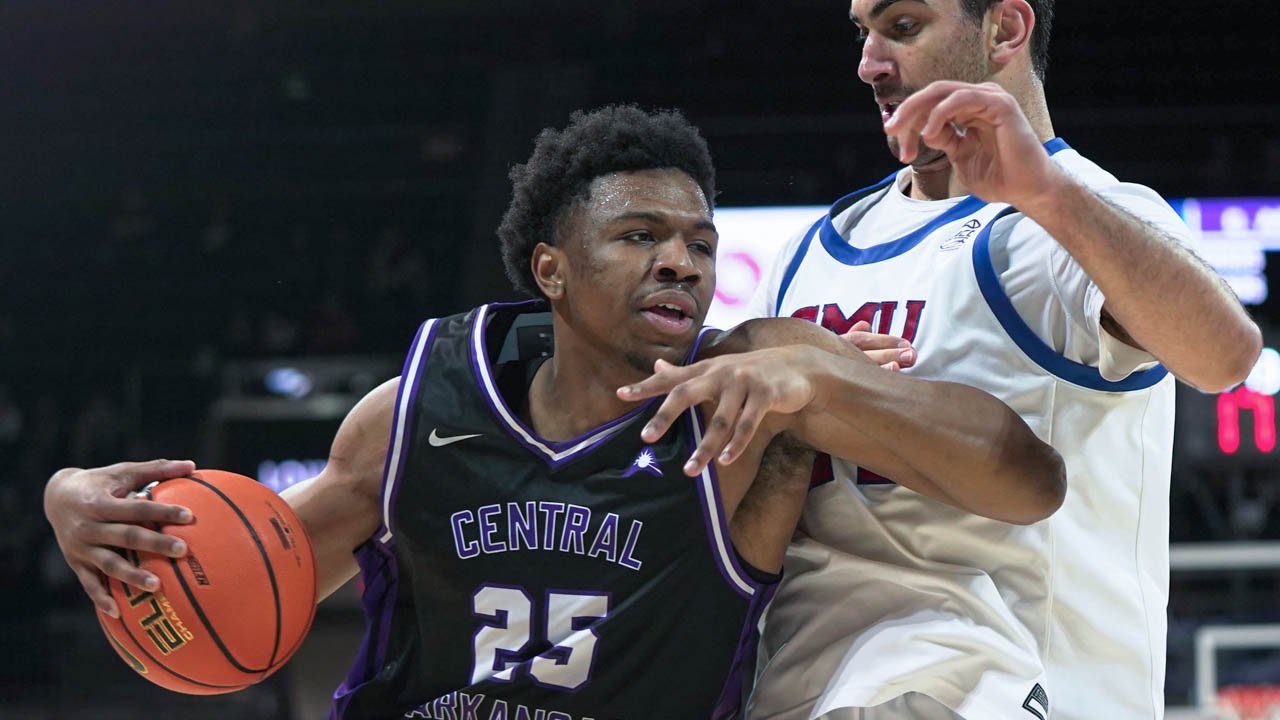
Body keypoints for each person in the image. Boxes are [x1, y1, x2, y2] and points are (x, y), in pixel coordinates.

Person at [44, 106, 1065, 719]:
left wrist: (832, 386)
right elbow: (248, 597)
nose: (681, 260)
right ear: (551, 269)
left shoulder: (752, 392)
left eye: (700, 245)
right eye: (640, 236)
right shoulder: (417, 407)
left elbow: (1024, 483)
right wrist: (77, 511)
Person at [684, 2, 1260, 719]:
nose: (869, 63)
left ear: (1005, 31)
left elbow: (1225, 358)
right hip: (807, 693)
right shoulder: (814, 246)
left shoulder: (1080, 216)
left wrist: (1046, 193)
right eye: (862, 33)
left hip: (1021, 694)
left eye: (902, 27)